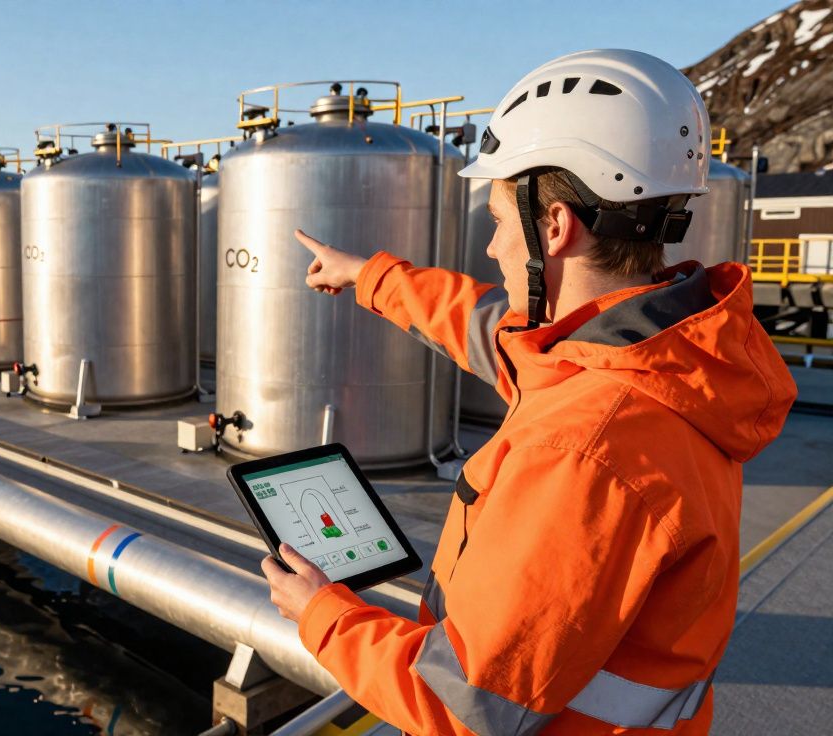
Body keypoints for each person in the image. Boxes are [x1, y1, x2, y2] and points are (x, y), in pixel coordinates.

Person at [260, 49, 796, 735]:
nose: (489, 248)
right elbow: (490, 327)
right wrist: (371, 277)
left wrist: (322, 615)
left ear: (555, 227)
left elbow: (467, 703)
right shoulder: (661, 359)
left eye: (497, 223)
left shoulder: (587, 448)